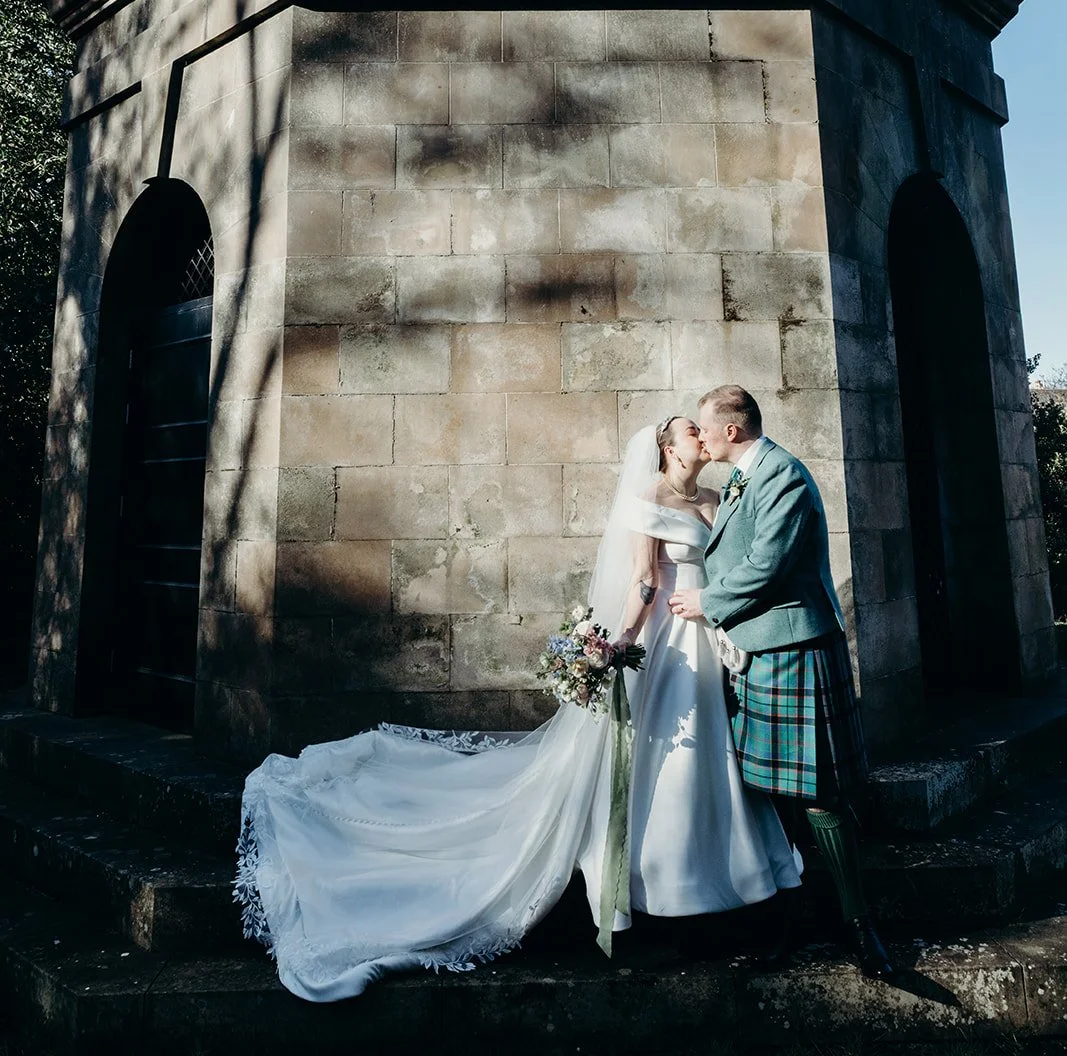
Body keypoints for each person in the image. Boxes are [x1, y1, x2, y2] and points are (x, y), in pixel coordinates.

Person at [235, 417, 800, 1001]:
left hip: (706, 642)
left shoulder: (715, 497)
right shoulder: (647, 497)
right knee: (665, 758)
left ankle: (714, 880)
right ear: (666, 446)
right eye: (689, 431)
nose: (701, 438)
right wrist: (616, 647)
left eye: (703, 430)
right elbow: (642, 580)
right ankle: (659, 891)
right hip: (664, 647)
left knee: (709, 756)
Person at [668, 385, 896, 981]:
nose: (701, 435)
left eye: (705, 427)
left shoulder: (783, 477)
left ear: (732, 431)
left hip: (795, 648)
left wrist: (706, 601)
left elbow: (768, 563)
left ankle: (859, 929)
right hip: (759, 652)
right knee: (772, 795)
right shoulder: (747, 475)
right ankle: (791, 926)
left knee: (821, 795)